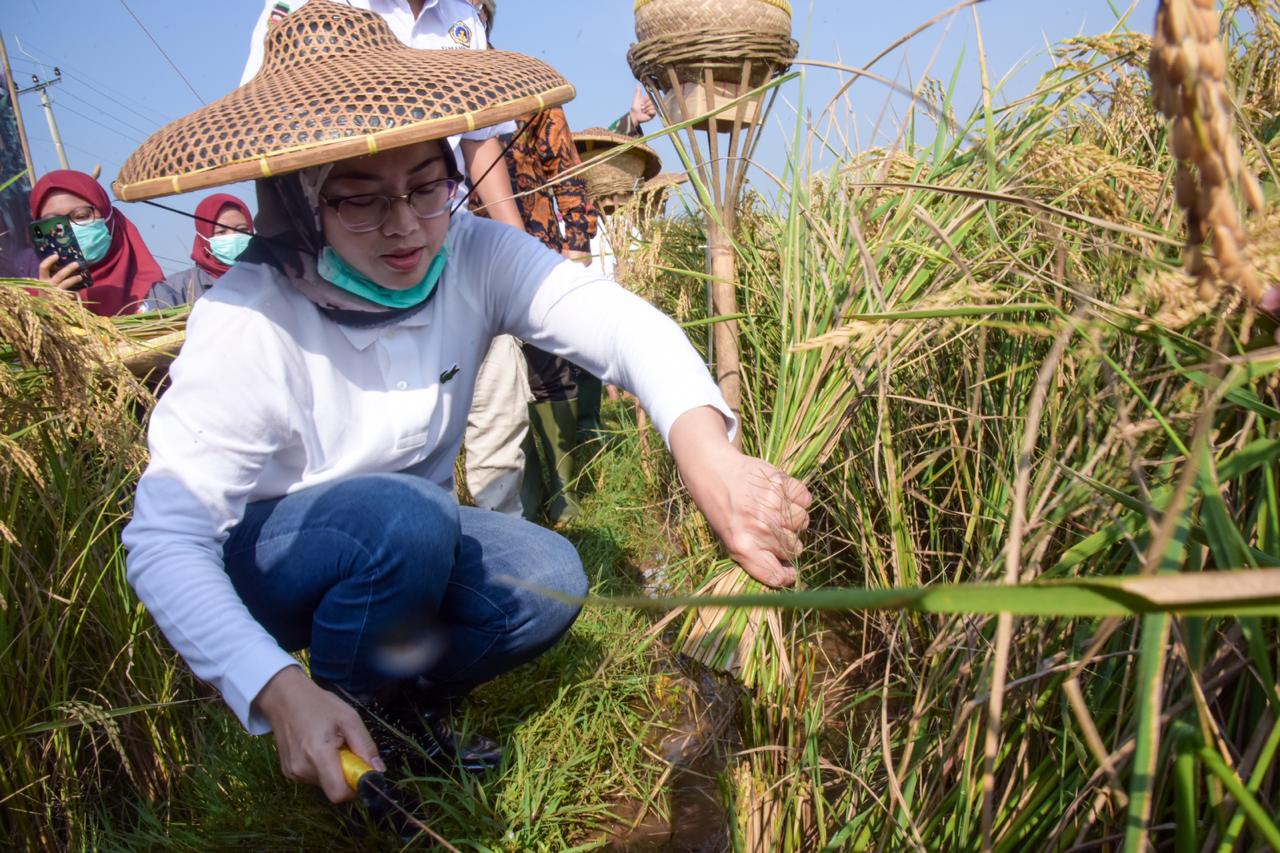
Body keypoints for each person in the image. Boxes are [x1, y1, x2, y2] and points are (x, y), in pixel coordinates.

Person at [118, 2, 809, 808]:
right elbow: (163, 538)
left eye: (426, 184)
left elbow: (621, 325)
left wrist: (706, 451)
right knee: (403, 517)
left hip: (412, 537)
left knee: (548, 576)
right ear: (305, 202)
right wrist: (274, 686)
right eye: (360, 199)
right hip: (278, 557)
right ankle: (344, 716)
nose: (407, 225)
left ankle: (401, 704)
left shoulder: (470, 251)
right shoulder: (250, 317)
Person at [243, 0, 533, 516]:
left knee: (497, 389)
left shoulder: (460, 19)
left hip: (442, 228)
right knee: (373, 432)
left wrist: (518, 254)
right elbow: (268, 138)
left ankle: (495, 534)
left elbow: (480, 143)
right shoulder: (309, 11)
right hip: (347, 251)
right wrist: (292, 274)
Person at [29, 169, 164, 316]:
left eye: (81, 216)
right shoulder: (25, 305)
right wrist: (45, 314)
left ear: (109, 219)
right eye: (54, 223)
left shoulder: (158, 297)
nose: (70, 230)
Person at [144, 193, 254, 309]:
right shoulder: (177, 288)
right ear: (203, 236)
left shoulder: (268, 278)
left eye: (242, 230)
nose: (234, 237)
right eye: (221, 232)